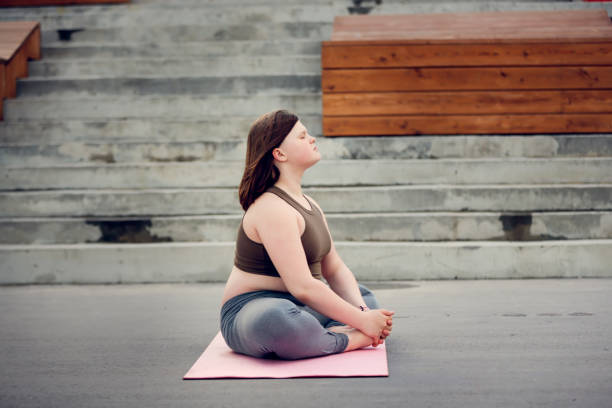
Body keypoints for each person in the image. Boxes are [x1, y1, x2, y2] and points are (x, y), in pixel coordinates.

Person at [220, 109, 394, 360]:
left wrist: (364, 312)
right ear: (279, 154)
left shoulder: (309, 203)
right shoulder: (272, 207)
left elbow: (334, 270)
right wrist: (364, 323)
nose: (312, 138)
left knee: (362, 295)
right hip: (255, 310)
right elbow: (301, 286)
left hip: (302, 307)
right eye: (302, 136)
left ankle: (326, 334)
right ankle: (352, 337)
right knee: (279, 320)